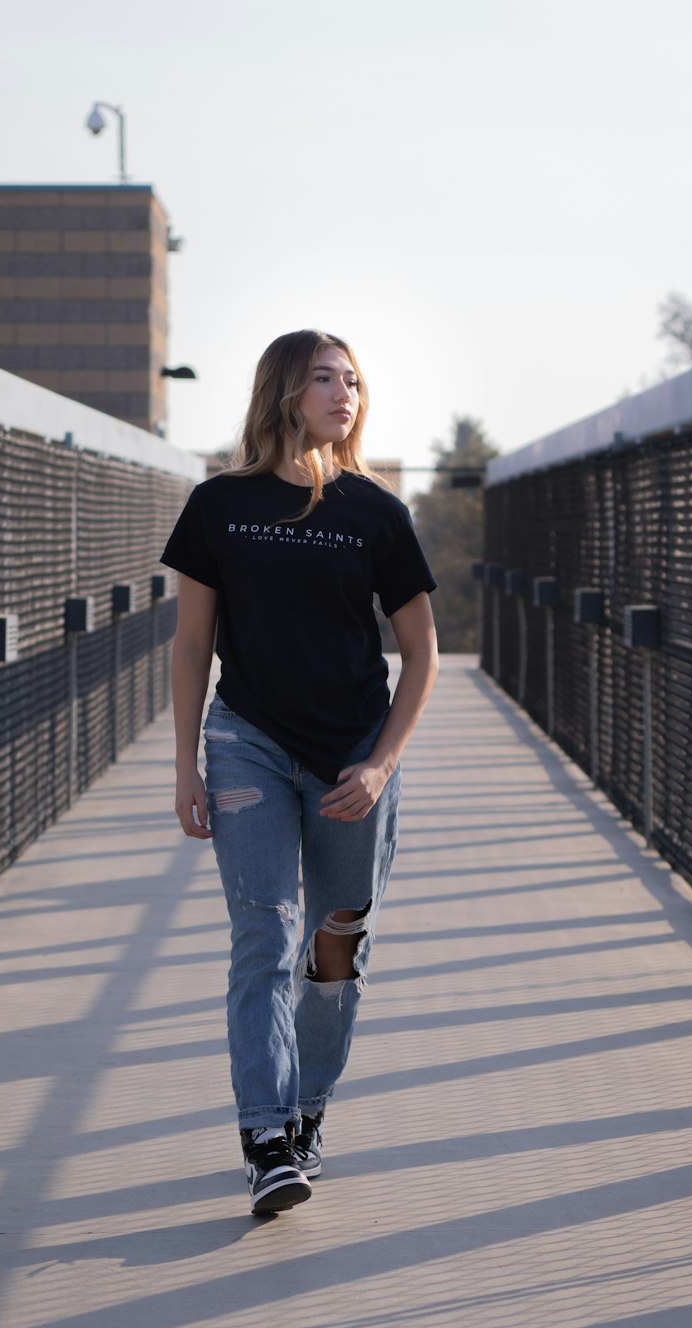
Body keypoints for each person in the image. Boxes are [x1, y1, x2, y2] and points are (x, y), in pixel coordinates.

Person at [161, 329, 438, 1215]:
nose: (344, 392)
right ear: (283, 390)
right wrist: (185, 765)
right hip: (245, 740)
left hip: (352, 755)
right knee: (264, 932)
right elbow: (194, 642)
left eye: (353, 380)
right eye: (325, 377)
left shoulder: (377, 513)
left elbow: (422, 653)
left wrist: (383, 764)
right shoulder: (217, 505)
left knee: (335, 945)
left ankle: (310, 1106)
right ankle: (267, 1137)